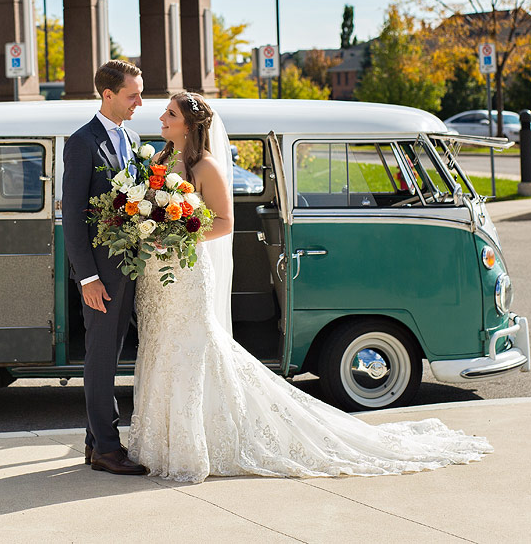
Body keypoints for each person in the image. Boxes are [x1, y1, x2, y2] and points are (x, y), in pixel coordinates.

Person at [129, 92, 493, 483]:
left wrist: (178, 235)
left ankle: (195, 444)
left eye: (170, 113)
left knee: (191, 348)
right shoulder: (160, 162)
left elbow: (224, 223)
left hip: (185, 270)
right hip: (158, 275)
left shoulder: (207, 167)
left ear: (189, 123)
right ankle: (161, 445)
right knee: (160, 347)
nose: (162, 118)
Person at [62, 60, 149, 476]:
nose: (139, 102)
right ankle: (108, 449)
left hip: (130, 267)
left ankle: (94, 443)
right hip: (101, 273)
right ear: (107, 94)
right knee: (101, 359)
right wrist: (88, 278)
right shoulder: (81, 142)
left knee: (111, 355)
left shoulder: (132, 137)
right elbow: (74, 217)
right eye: (133, 94)